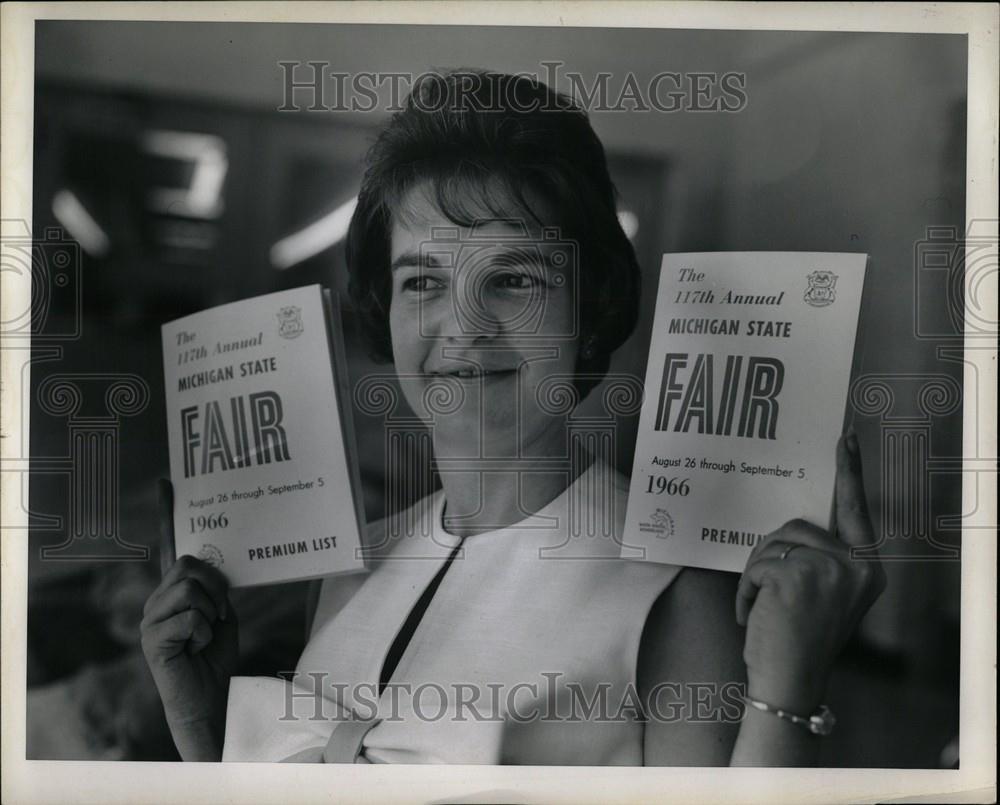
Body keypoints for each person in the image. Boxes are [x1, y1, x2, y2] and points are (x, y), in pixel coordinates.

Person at [141, 70, 885, 765]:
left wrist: (790, 684)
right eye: (424, 281)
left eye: (514, 279)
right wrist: (201, 729)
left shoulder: (675, 586)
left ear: (588, 313)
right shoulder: (350, 564)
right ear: (386, 306)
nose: (463, 326)